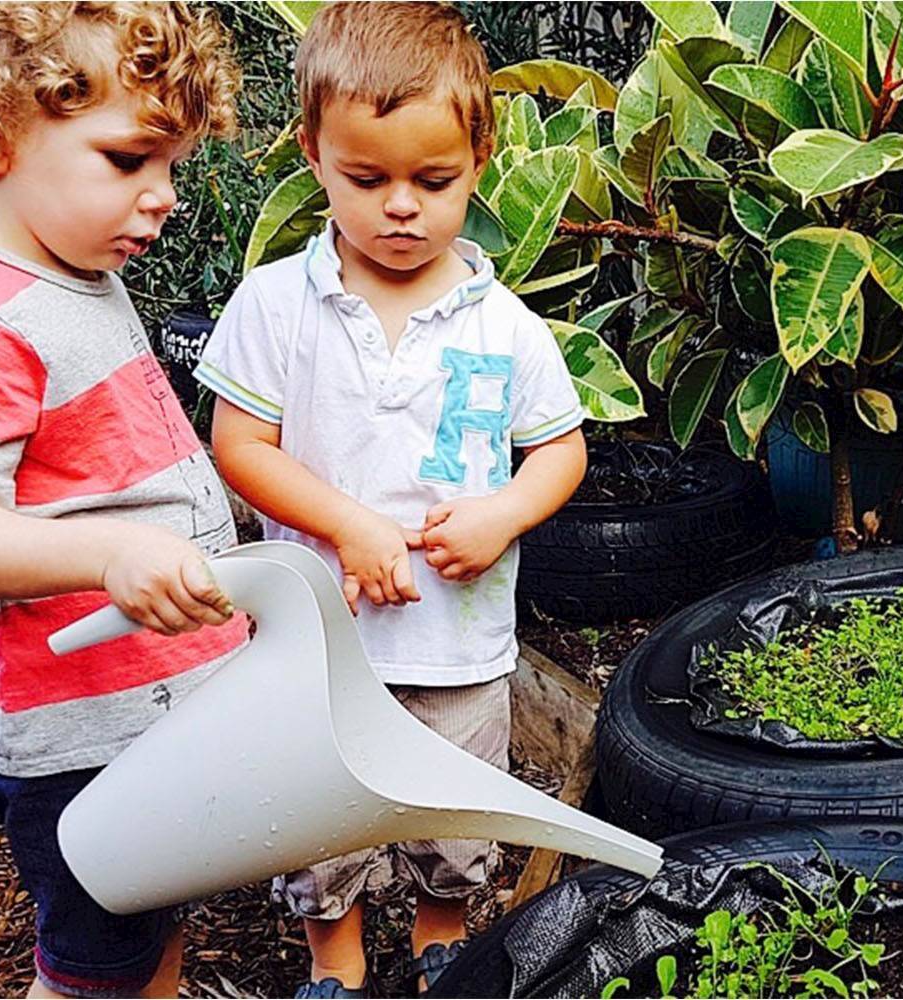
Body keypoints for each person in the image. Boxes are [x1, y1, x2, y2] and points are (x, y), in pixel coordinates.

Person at [196, 3, 587, 996]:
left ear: (480, 156)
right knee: (323, 816)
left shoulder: (505, 326)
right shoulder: (277, 306)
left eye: (433, 180)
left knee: (452, 809)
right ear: (313, 154)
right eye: (366, 180)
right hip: (319, 646)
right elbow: (239, 445)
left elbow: (559, 450)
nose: (400, 206)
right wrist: (347, 523)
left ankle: (440, 935)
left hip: (458, 643)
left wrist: (502, 513)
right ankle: (335, 956)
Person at [0, 4, 244, 997]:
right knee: (91, 978)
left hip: (146, 718)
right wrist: (111, 556)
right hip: (80, 745)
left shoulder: (68, 268)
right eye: (129, 160)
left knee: (144, 948)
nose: (162, 196)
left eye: (169, 166)